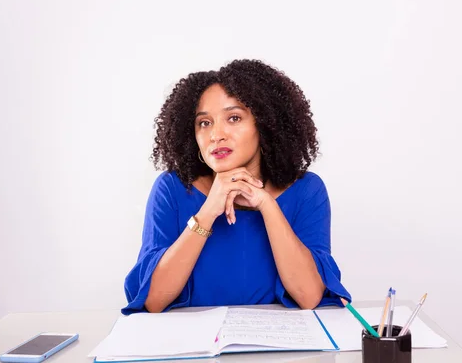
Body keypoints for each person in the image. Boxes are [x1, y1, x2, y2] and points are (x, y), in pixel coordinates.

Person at [121, 59, 351, 315]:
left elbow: (309, 296)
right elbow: (153, 300)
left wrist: (267, 205)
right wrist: (208, 212)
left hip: (277, 348)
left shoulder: (307, 190)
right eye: (204, 123)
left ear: (264, 125)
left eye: (233, 118)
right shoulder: (172, 190)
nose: (216, 134)